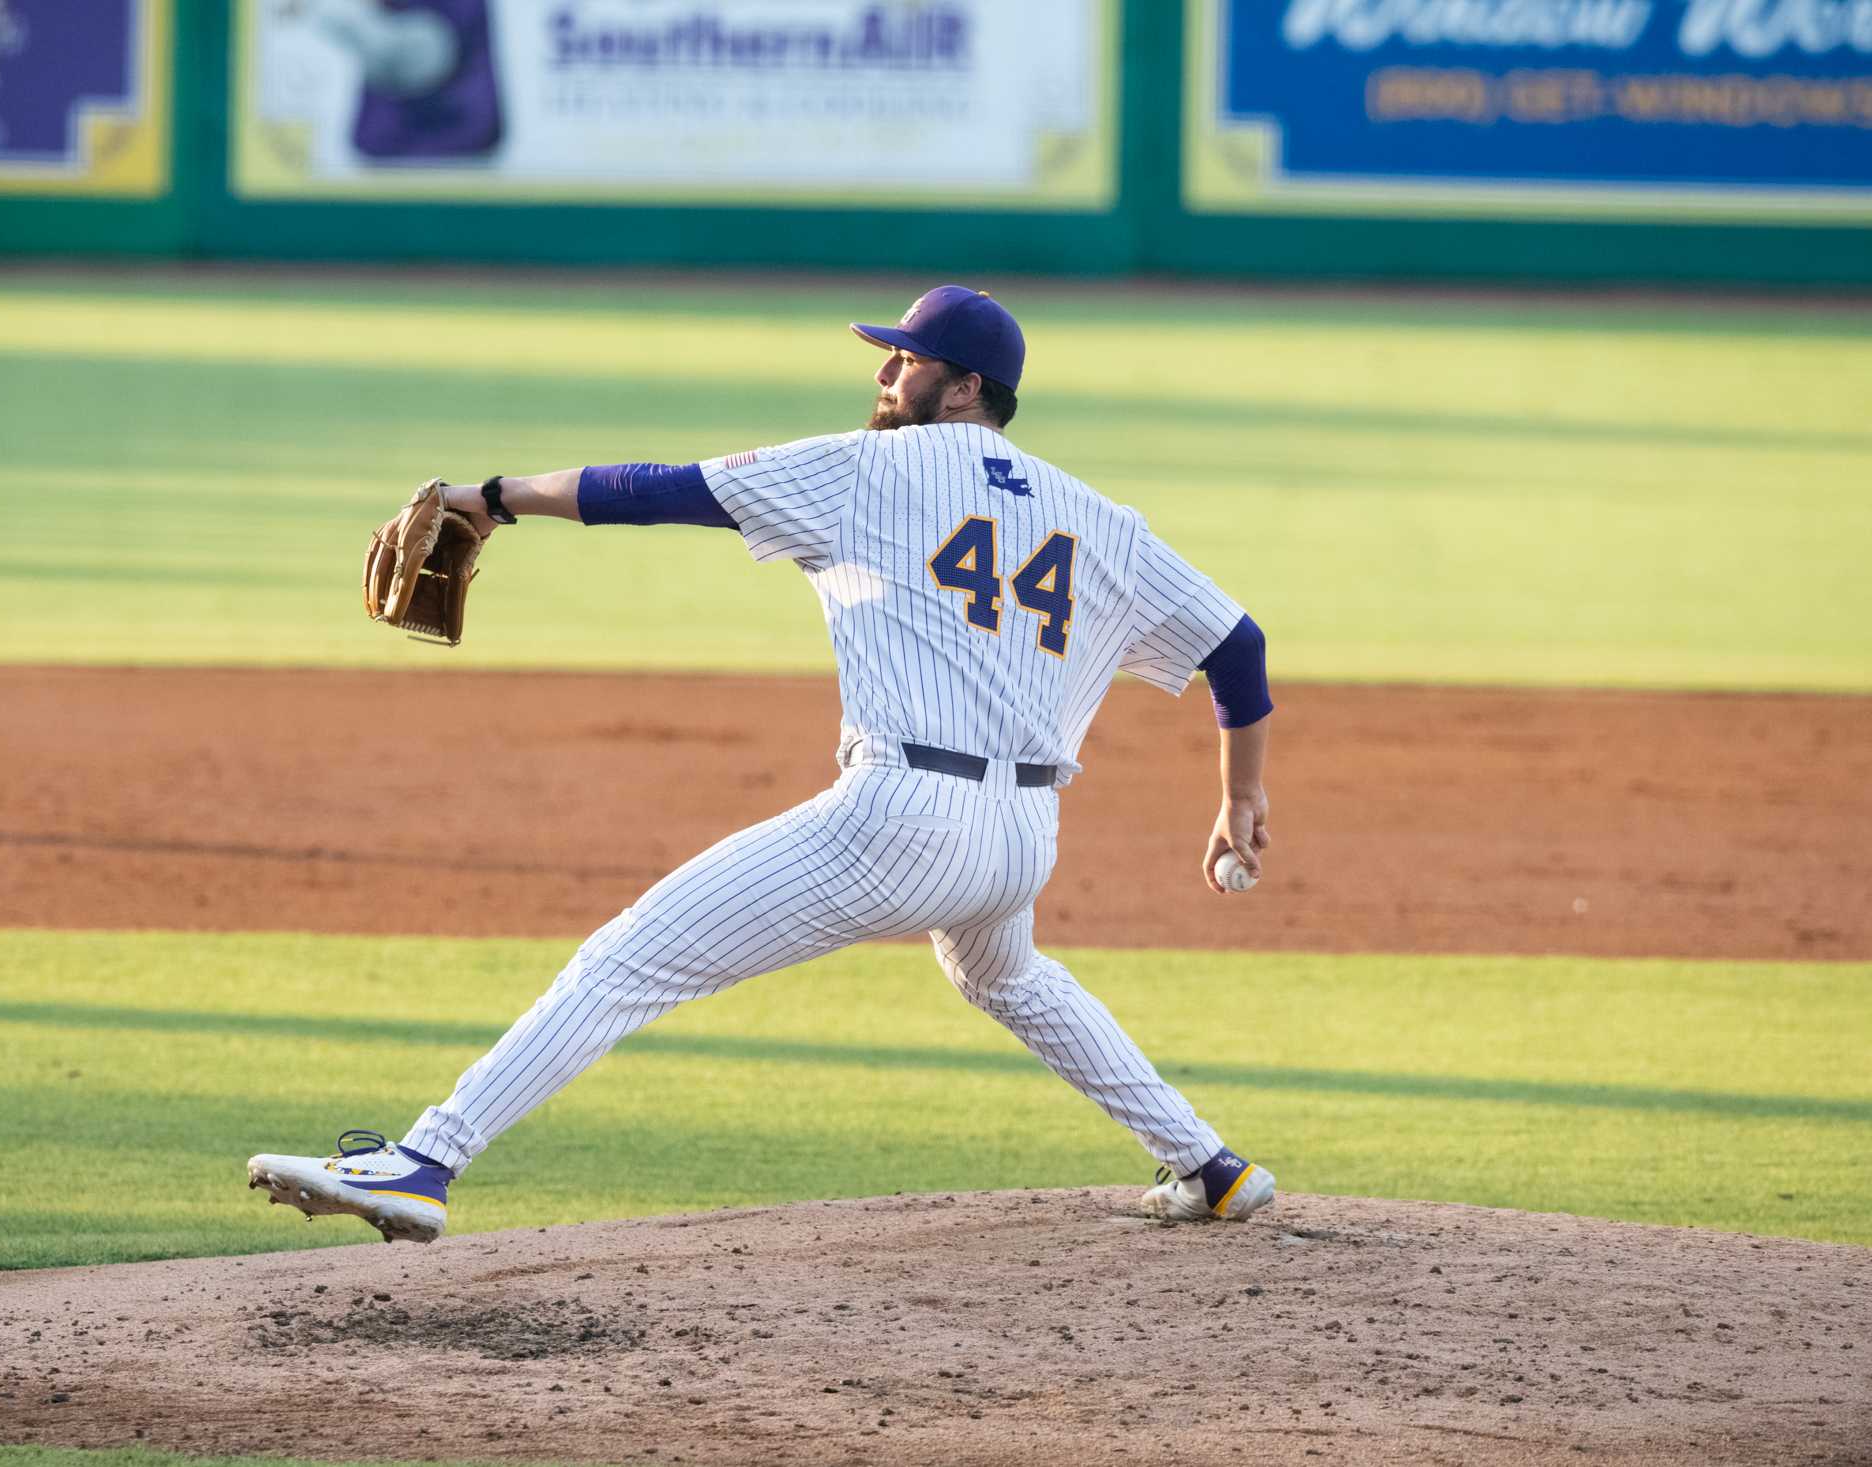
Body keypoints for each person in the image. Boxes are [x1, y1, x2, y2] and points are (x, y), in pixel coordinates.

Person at [248, 285, 1278, 1241]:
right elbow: (1238, 648)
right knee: (1007, 976)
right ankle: (1209, 1167)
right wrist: (1239, 800)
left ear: (965, 389)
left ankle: (424, 1162)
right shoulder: (1100, 519)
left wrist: (496, 495)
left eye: (903, 362)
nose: (882, 377)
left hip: (900, 821)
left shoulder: (866, 469)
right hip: (1020, 838)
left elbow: (658, 490)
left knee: (628, 958)